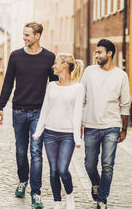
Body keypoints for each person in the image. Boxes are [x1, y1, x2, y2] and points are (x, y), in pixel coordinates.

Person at [0, 21, 57, 209]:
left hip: (39, 112)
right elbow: (8, 83)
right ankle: (23, 180)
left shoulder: (49, 57)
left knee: (36, 153)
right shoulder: (15, 56)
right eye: (23, 34)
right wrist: (0, 106)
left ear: (37, 36)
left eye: (28, 35)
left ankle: (36, 193)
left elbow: (54, 86)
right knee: (21, 152)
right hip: (19, 112)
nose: (24, 38)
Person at [81, 39, 130, 209]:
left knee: (107, 165)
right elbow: (82, 98)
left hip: (111, 126)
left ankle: (102, 199)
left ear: (109, 54)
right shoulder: (88, 72)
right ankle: (96, 183)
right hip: (91, 125)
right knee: (89, 163)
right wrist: (78, 122)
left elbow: (125, 104)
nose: (96, 55)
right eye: (96, 52)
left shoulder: (121, 76)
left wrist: (124, 129)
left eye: (99, 52)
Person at [33, 53, 85, 209]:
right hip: (50, 133)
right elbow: (45, 110)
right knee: (54, 170)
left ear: (64, 65)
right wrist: (38, 132)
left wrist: (77, 138)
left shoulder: (78, 88)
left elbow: (78, 114)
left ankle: (69, 196)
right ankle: (57, 201)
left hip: (67, 135)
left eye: (56, 63)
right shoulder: (51, 86)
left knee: (63, 169)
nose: (53, 66)